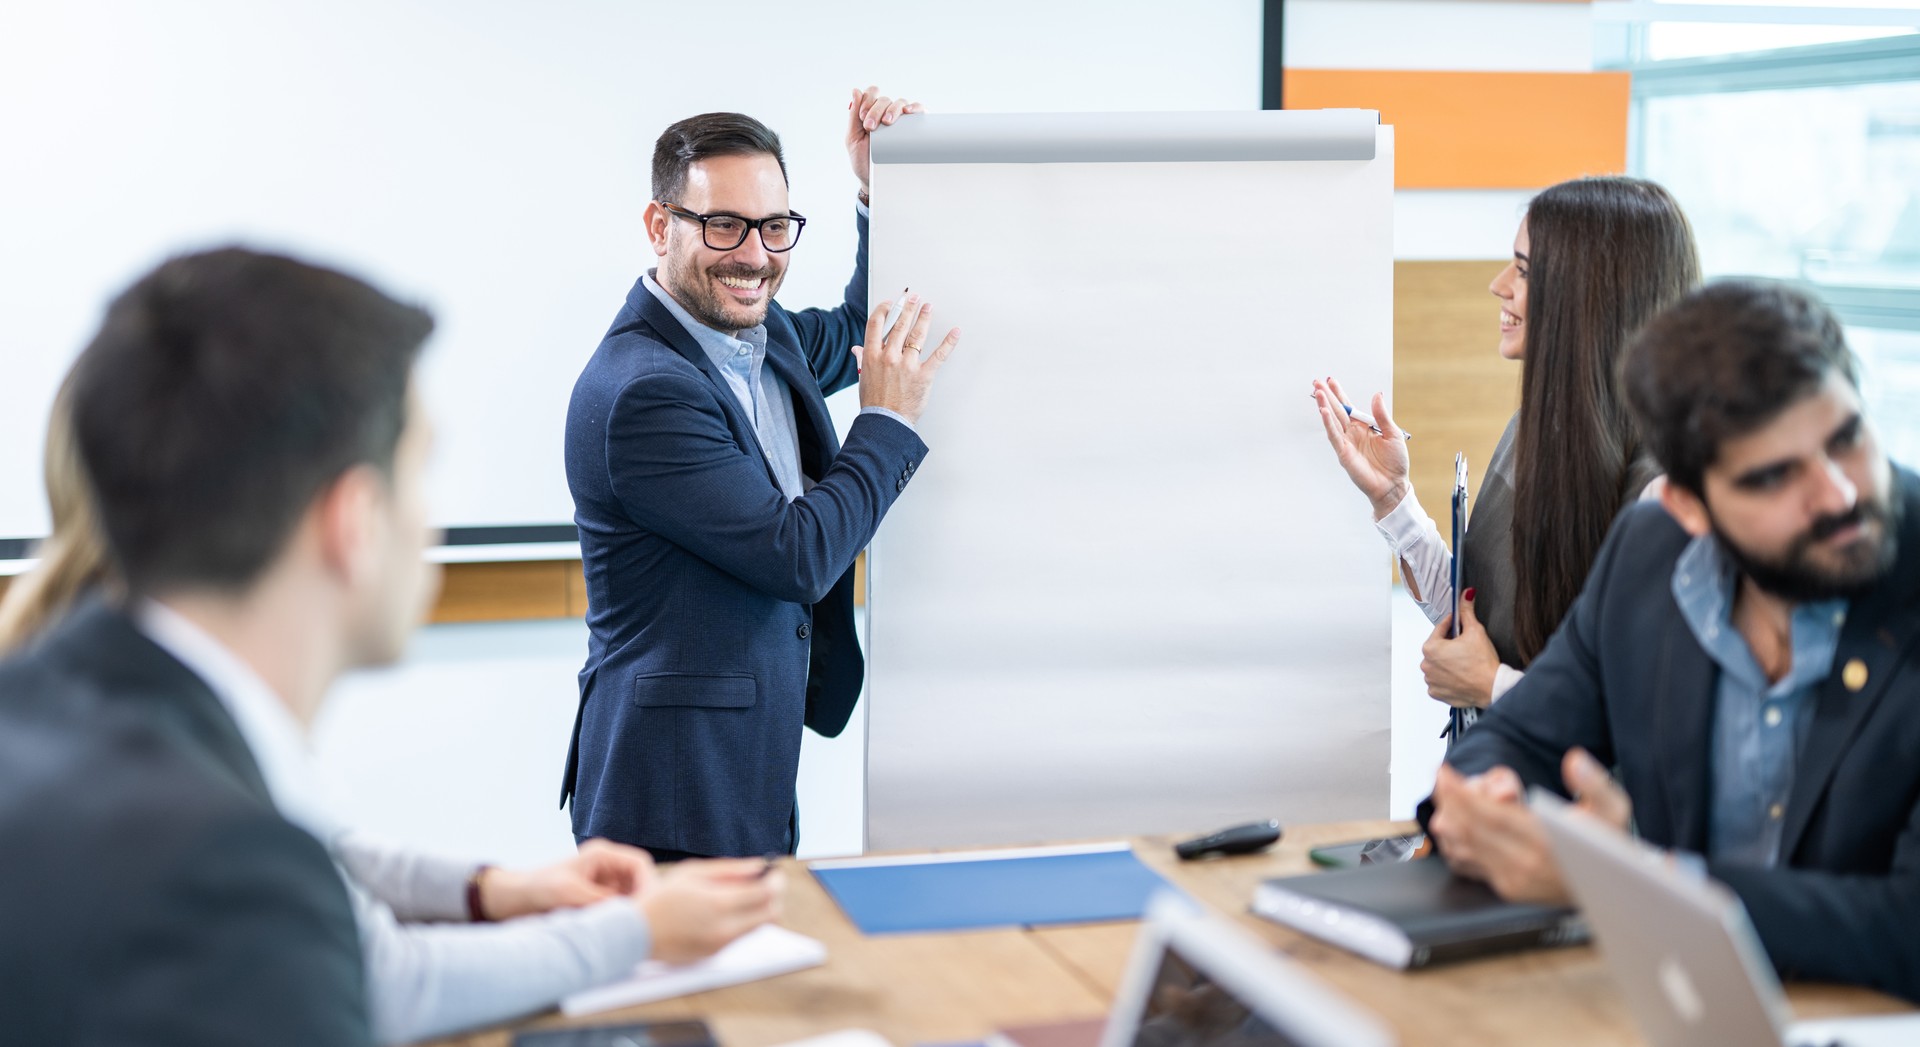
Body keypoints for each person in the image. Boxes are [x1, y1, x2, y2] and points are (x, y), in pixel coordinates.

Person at [0, 247, 782, 1046]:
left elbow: (321, 860)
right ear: (355, 520)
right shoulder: (209, 854)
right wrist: (637, 931)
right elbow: (351, 956)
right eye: (419, 476)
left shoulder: (89, 706)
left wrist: (498, 889)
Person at [1422, 280, 1920, 1003]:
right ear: (1688, 504)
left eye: (1846, 439)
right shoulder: (1650, 555)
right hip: (1675, 1007)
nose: (1838, 494)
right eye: (1775, 476)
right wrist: (1484, 805)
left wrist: (1630, 879)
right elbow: (1516, 742)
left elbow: (1908, 928)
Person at [562, 88, 960, 859]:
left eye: (774, 227)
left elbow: (854, 325)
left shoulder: (758, 329)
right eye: (723, 225)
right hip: (669, 788)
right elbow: (797, 553)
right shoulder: (645, 391)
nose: (754, 255)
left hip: (753, 757)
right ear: (659, 226)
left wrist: (881, 186)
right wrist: (887, 420)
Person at [1311, 176, 1699, 712]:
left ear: (1590, 293)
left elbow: (1642, 714)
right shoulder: (1537, 428)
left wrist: (1492, 687)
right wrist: (1394, 499)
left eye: (1523, 270)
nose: (1499, 285)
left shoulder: (1670, 494)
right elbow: (1477, 618)